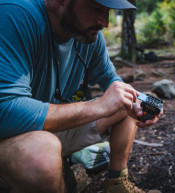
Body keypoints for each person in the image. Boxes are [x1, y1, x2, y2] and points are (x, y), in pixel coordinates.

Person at [0, 0, 163, 192]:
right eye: (96, 9)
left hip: (51, 127)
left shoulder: (86, 34)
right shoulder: (15, 15)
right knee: (42, 152)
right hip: (10, 135)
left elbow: (113, 81)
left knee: (124, 102)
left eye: (108, 11)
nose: (105, 22)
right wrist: (97, 107)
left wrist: (144, 102)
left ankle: (117, 183)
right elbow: (5, 110)